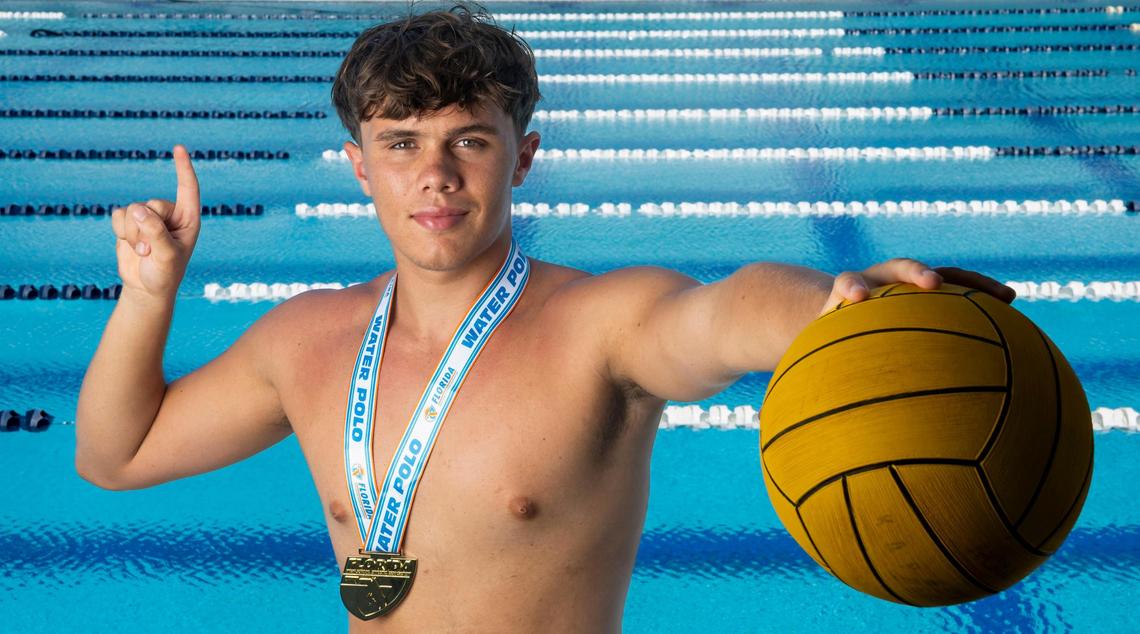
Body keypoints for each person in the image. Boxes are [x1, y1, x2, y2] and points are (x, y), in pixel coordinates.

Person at [75, 4, 1017, 632]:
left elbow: (719, 316)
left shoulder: (599, 327)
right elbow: (118, 455)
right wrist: (149, 295)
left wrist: (825, 306)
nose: (435, 176)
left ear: (522, 157)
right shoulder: (303, 339)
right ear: (360, 167)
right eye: (401, 145)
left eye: (468, 141)